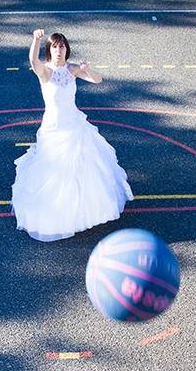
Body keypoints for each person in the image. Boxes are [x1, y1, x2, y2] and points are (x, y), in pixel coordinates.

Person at [11, 29, 134, 241]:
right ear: (49, 50)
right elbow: (33, 60)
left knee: (84, 169)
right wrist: (36, 39)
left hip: (75, 125)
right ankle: (61, 215)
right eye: (55, 47)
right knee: (55, 173)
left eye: (62, 46)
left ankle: (84, 212)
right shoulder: (45, 72)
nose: (59, 50)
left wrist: (88, 70)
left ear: (67, 49)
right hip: (54, 128)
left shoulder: (72, 70)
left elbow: (98, 80)